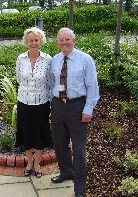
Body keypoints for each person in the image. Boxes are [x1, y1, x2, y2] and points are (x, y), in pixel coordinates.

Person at [50, 27, 100, 197]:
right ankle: (66, 173)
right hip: (58, 106)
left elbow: (92, 87)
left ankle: (79, 188)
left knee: (78, 150)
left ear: (74, 40)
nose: (64, 43)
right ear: (57, 42)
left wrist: (88, 110)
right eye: (61, 40)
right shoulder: (55, 60)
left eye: (67, 39)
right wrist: (53, 103)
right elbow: (53, 83)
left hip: (77, 107)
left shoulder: (85, 60)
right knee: (59, 143)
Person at [15, 27, 53, 178]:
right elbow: (19, 78)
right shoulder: (20, 59)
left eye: (36, 40)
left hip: (41, 102)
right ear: (26, 42)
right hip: (24, 101)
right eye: (30, 40)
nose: (33, 43)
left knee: (39, 133)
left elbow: (49, 81)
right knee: (26, 132)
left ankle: (37, 163)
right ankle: (28, 162)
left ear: (41, 41)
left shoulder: (48, 60)